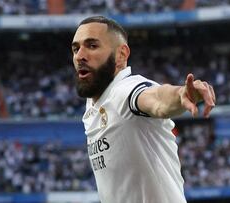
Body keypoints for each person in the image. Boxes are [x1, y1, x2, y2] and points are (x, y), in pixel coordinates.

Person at [71, 16, 215, 203]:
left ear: (121, 55)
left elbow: (156, 98)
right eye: (76, 48)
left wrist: (180, 94)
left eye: (92, 46)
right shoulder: (93, 103)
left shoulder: (124, 90)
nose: (80, 56)